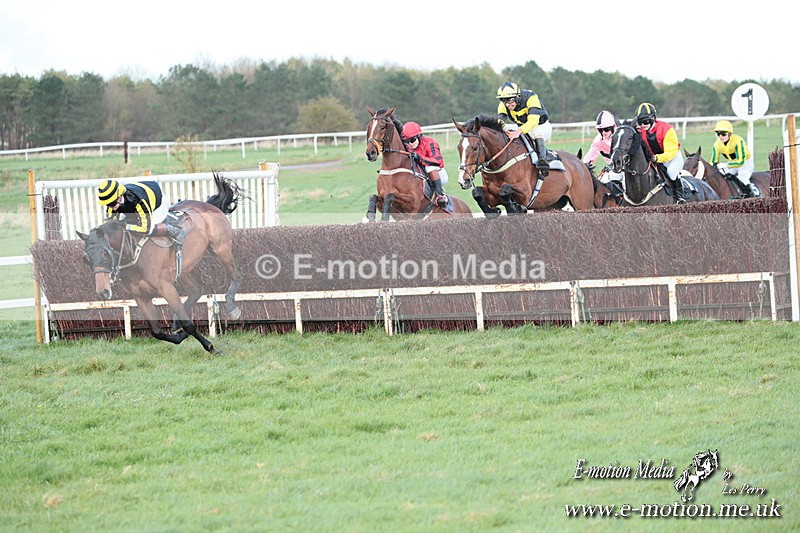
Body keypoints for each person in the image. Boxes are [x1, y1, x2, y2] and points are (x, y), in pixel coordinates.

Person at [97, 179, 185, 245]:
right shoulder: (112, 204)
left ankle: (171, 229)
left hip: (158, 204)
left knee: (149, 228)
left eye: (111, 203)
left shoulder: (137, 200)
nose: (110, 207)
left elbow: (145, 229)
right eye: (107, 204)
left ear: (119, 197)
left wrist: (125, 226)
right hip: (138, 196)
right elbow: (109, 224)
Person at [495, 81, 552, 177]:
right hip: (523, 127)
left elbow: (533, 121)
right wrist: (503, 129)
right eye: (504, 100)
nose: (507, 104)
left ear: (517, 96)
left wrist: (518, 131)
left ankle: (543, 161)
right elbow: (500, 122)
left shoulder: (531, 97)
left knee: (535, 131)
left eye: (510, 100)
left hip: (541, 125)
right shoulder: (504, 104)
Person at [634, 102, 686, 204]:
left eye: (645, 121)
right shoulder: (641, 130)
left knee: (671, 172)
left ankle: (680, 197)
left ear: (653, 118)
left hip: (673, 157)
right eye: (640, 122)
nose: (642, 125)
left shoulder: (666, 129)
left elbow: (670, 153)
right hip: (656, 158)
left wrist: (656, 159)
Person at [401, 121, 449, 208]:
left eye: (412, 140)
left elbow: (437, 161)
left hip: (439, 173)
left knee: (429, 167)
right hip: (422, 174)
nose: (410, 144)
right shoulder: (408, 147)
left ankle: (440, 195)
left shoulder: (430, 142)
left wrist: (419, 158)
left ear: (419, 136)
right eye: (406, 141)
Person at [710, 120, 760, 197]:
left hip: (745, 163)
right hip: (732, 164)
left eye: (723, 134)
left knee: (743, 178)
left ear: (730, 134)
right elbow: (713, 162)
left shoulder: (738, 141)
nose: (720, 137)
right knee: (721, 177)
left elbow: (740, 162)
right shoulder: (717, 144)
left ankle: (753, 196)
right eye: (718, 134)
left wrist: (725, 165)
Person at [582, 110, 624, 186]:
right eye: (600, 130)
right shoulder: (598, 140)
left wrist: (612, 165)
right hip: (614, 170)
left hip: (629, 170)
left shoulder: (622, 137)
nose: (603, 132)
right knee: (600, 184)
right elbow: (590, 157)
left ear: (613, 127)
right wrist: (583, 167)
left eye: (606, 129)